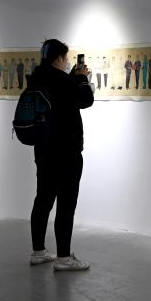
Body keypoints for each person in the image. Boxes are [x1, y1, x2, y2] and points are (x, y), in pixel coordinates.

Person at [28, 39, 94, 272]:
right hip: (66, 152)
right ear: (58, 58)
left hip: (43, 151)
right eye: (65, 57)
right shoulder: (62, 80)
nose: (66, 61)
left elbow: (62, 100)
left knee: (43, 200)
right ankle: (64, 258)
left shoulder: (36, 78)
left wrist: (72, 78)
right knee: (66, 205)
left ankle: (38, 252)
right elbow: (85, 100)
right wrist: (82, 78)